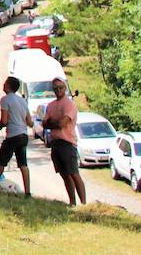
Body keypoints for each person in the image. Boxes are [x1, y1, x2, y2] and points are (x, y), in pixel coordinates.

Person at [0, 75, 33, 196]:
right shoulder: (22, 100)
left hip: (12, 135)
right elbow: (29, 122)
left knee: (1, 162)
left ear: (8, 86)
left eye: (5, 83)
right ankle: (27, 192)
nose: (3, 85)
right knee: (23, 164)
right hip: (23, 134)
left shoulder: (5, 100)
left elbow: (5, 120)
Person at [43, 77, 86, 206]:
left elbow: (63, 123)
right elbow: (44, 123)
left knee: (73, 173)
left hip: (67, 142)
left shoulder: (69, 104)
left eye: (60, 87)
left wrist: (53, 122)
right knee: (64, 174)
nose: (58, 90)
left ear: (65, 88)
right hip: (55, 143)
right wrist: (54, 123)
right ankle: (72, 202)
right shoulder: (51, 105)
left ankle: (84, 203)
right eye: (55, 88)